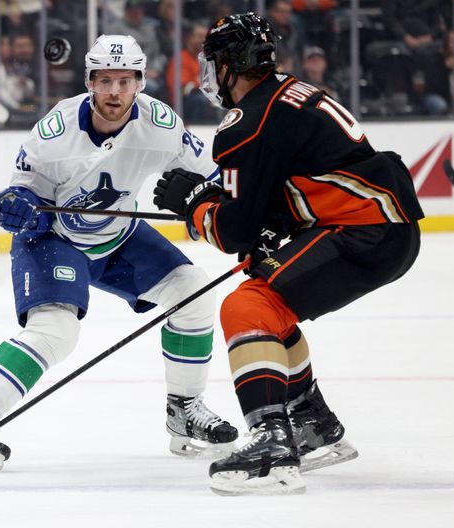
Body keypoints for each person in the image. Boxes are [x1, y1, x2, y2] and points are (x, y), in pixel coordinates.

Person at [153, 13, 424, 495]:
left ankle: (271, 443)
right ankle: (313, 425)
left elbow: (236, 229)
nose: (209, 72)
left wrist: (195, 206)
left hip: (362, 230)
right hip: (378, 227)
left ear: (230, 66)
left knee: (248, 305)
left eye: (213, 61)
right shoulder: (287, 95)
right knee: (270, 304)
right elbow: (290, 189)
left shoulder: (247, 121)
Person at [0, 34, 238, 471]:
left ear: (140, 82)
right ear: (89, 81)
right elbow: (22, 194)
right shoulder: (55, 133)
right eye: (104, 81)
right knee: (56, 331)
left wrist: (233, 206)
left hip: (119, 235)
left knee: (193, 291)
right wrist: (18, 206)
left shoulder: (162, 124)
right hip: (54, 240)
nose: (114, 92)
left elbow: (214, 175)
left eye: (124, 81)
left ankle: (184, 411)